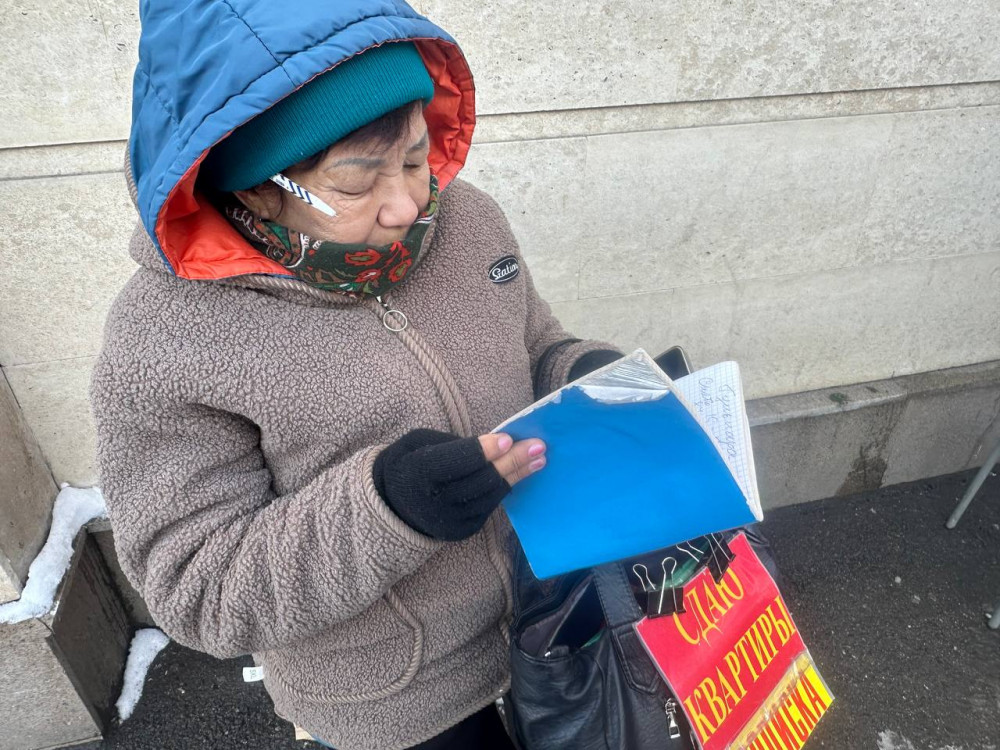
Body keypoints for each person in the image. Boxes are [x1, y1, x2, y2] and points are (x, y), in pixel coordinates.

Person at [91, 2, 623, 748]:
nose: (407, 203)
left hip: (558, 615)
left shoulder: (466, 221)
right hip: (394, 701)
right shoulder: (167, 337)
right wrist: (386, 510)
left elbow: (533, 343)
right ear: (253, 187)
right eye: (357, 180)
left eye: (413, 156)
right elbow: (197, 588)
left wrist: (582, 371)